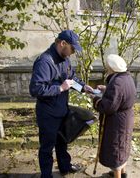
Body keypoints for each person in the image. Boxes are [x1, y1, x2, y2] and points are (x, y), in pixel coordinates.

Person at [29, 30, 93, 178]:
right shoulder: (44, 62)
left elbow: (71, 79)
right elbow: (35, 89)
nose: (72, 53)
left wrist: (83, 87)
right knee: (47, 147)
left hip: (61, 110)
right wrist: (59, 88)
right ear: (62, 43)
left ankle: (65, 167)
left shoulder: (65, 59)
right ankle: (46, 175)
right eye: (72, 48)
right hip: (48, 114)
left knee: (62, 142)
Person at [91, 54, 136, 178]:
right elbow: (122, 94)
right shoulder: (126, 77)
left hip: (117, 122)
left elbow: (108, 107)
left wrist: (95, 99)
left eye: (107, 67)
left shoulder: (117, 82)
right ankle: (123, 172)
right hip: (126, 118)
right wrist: (107, 89)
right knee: (123, 145)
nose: (106, 70)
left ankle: (117, 175)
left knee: (116, 148)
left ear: (112, 68)